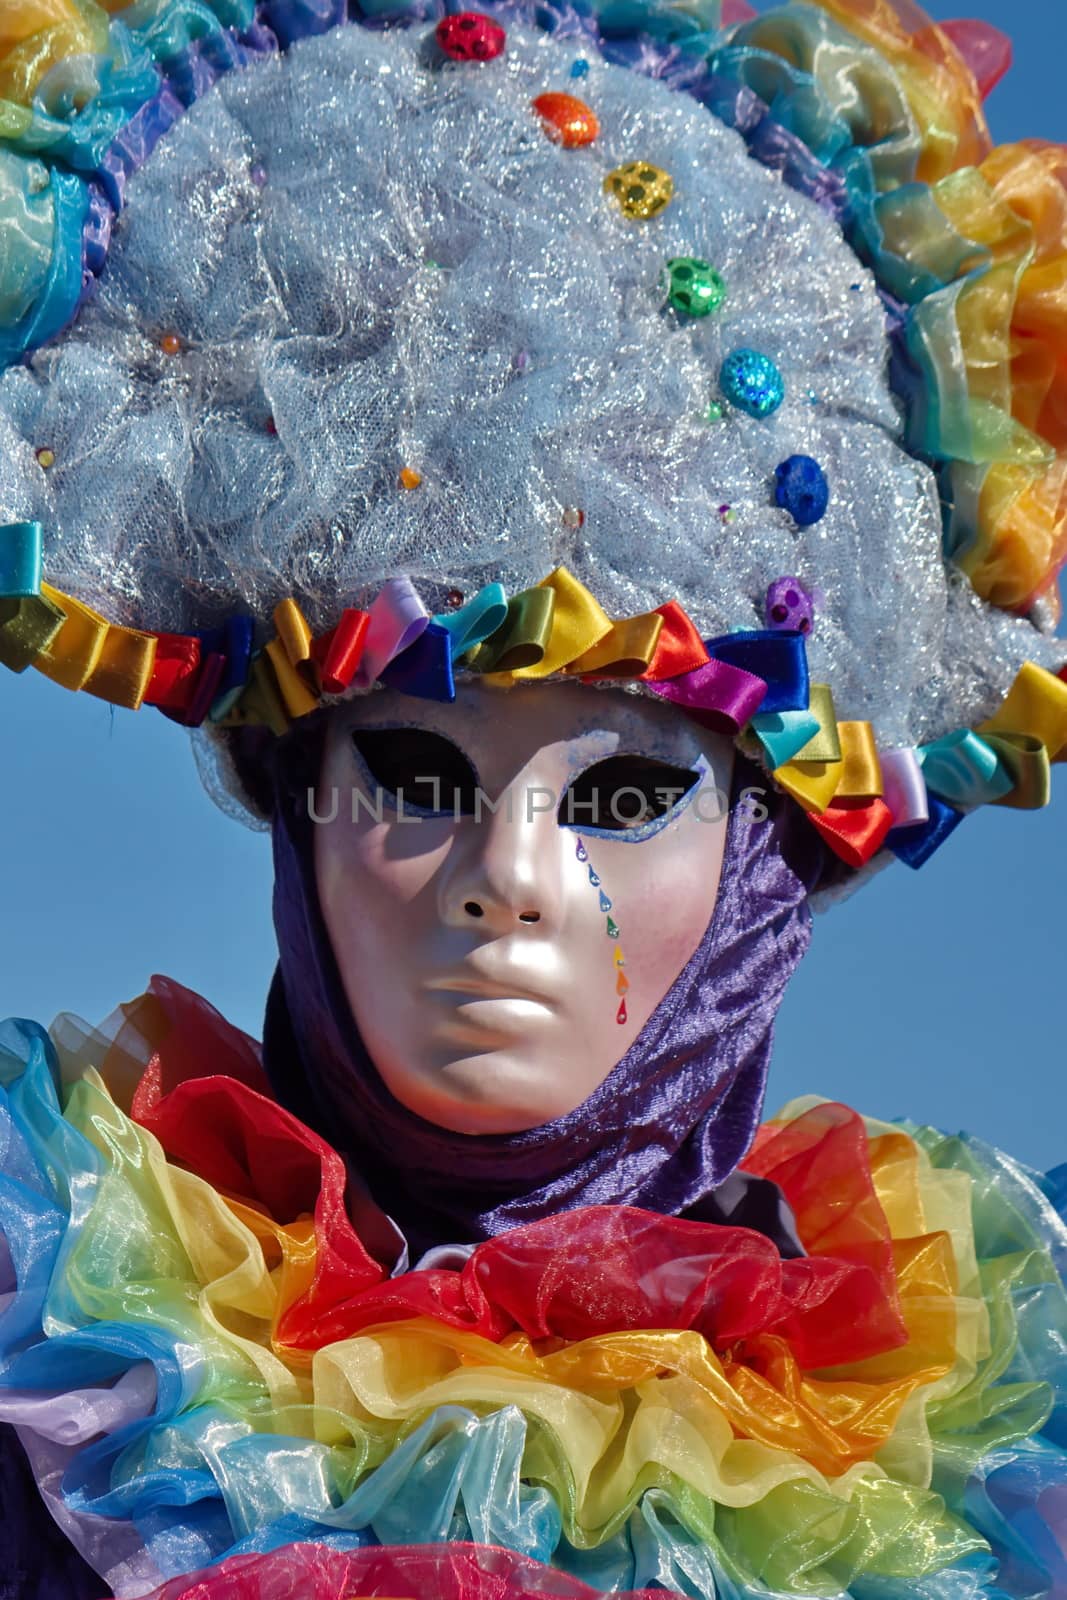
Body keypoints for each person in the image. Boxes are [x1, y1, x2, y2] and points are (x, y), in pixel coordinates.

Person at [0, 0, 1065, 1596]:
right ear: (299, 808)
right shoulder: (65, 1355)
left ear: (767, 859)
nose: (505, 878)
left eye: (627, 796)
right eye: (418, 773)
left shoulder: (985, 1432)